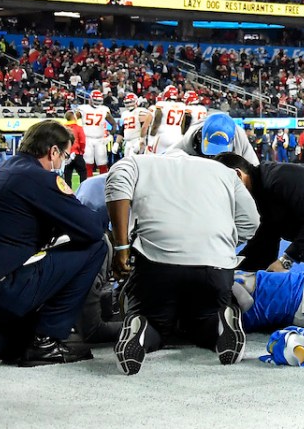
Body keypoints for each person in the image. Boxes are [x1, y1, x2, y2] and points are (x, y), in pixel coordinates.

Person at [0, 120, 107, 375]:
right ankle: (46, 341)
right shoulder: (39, 178)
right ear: (53, 152)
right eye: (65, 156)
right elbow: (91, 229)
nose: (63, 163)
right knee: (96, 248)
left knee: (19, 337)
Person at [104, 143, 259, 375]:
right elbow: (252, 221)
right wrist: (218, 244)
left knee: (155, 321)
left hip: (157, 264)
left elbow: (116, 184)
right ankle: (219, 323)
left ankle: (141, 327)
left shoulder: (138, 162)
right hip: (214, 266)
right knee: (202, 321)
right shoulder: (224, 172)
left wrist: (122, 247)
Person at [213, 151, 304, 272]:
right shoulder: (258, 191)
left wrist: (286, 261)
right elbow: (265, 241)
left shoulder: (280, 179)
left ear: (237, 175)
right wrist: (231, 270)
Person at [170, 111, 260, 165]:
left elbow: (254, 168)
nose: (214, 158)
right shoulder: (188, 141)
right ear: (199, 137)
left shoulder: (239, 139)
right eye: (210, 154)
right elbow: (166, 159)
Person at [76, 90, 112, 179]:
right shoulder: (83, 108)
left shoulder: (104, 109)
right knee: (88, 162)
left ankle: (103, 183)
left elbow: (113, 123)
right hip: (87, 138)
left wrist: (110, 135)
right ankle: (89, 184)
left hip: (100, 139)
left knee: (102, 163)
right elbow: (74, 117)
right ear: (90, 99)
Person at [147, 85, 186, 154]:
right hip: (177, 136)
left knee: (156, 159)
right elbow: (183, 124)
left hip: (163, 135)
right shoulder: (182, 106)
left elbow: (156, 122)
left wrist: (151, 140)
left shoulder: (161, 104)